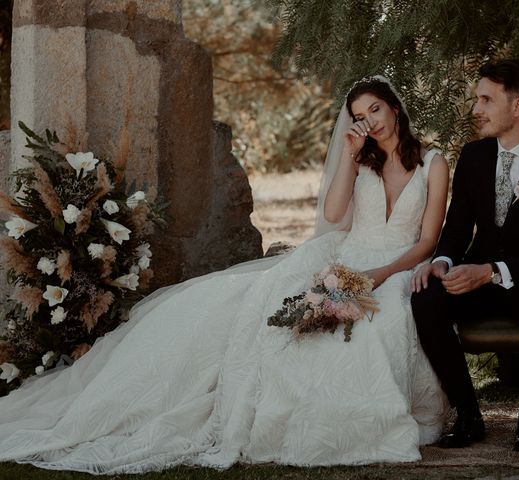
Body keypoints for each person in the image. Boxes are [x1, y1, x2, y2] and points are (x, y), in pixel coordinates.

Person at [0, 77, 450, 473]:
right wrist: (351, 159)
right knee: (263, 311)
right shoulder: (363, 161)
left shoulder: (433, 164)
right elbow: (334, 215)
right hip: (347, 256)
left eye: (376, 109)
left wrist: (382, 274)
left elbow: (428, 240)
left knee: (381, 324)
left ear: (394, 106)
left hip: (402, 265)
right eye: (359, 116)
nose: (371, 121)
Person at [410, 59, 519, 453]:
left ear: (518, 107)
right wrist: (442, 263)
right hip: (479, 280)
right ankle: (468, 415)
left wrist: (491, 272)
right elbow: (456, 230)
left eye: (487, 100)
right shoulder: (472, 158)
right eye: (477, 99)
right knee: (426, 296)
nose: (476, 109)